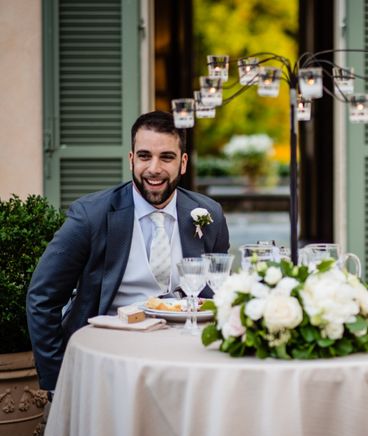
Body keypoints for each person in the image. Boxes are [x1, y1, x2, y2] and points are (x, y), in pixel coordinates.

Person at [27, 111, 230, 393]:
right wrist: (57, 381)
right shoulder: (91, 215)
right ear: (131, 159)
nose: (154, 168)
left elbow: (217, 296)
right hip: (108, 359)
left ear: (183, 163)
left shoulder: (209, 215)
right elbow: (42, 297)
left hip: (186, 361)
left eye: (166, 157)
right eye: (145, 156)